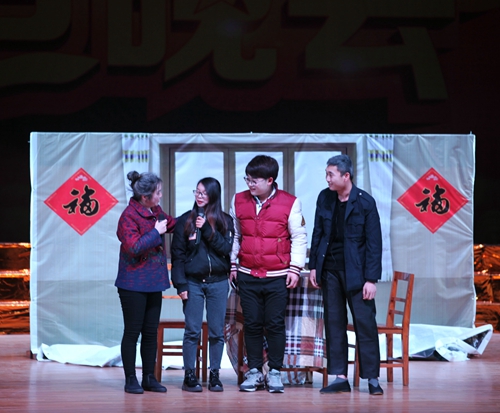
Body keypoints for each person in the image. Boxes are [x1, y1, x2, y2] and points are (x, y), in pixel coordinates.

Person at [229, 155, 307, 393]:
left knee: (274, 324)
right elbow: (236, 235)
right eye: (247, 179)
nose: (249, 184)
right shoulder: (238, 200)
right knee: (251, 324)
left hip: (277, 275)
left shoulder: (290, 202)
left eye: (254, 180)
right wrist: (232, 264)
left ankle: (274, 372)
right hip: (247, 274)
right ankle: (254, 372)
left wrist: (295, 268)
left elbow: (299, 237)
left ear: (270, 180)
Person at [308, 154, 383, 396]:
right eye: (327, 174)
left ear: (346, 175)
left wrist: (371, 279)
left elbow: (374, 243)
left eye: (331, 174)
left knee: (365, 324)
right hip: (330, 270)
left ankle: (372, 378)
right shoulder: (325, 197)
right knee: (334, 323)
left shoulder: (365, 202)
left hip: (358, 274)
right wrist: (314, 266)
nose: (327, 179)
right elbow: (318, 233)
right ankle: (339, 376)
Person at [171, 177, 234, 392]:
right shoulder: (185, 221)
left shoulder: (225, 221)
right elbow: (178, 256)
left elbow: (225, 249)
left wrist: (206, 228)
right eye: (197, 192)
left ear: (213, 196)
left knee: (216, 332)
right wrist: (181, 285)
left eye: (204, 193)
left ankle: (214, 374)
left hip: (218, 282)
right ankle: (189, 376)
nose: (199, 196)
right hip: (193, 283)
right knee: (192, 331)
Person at [115, 171, 176, 394]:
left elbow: (172, 224)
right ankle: (130, 379)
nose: (160, 196)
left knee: (150, 332)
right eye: (158, 193)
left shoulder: (155, 211)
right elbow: (133, 247)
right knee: (133, 331)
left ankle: (149, 377)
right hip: (132, 283)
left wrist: (198, 213)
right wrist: (155, 232)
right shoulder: (128, 216)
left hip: (154, 281)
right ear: (145, 197)